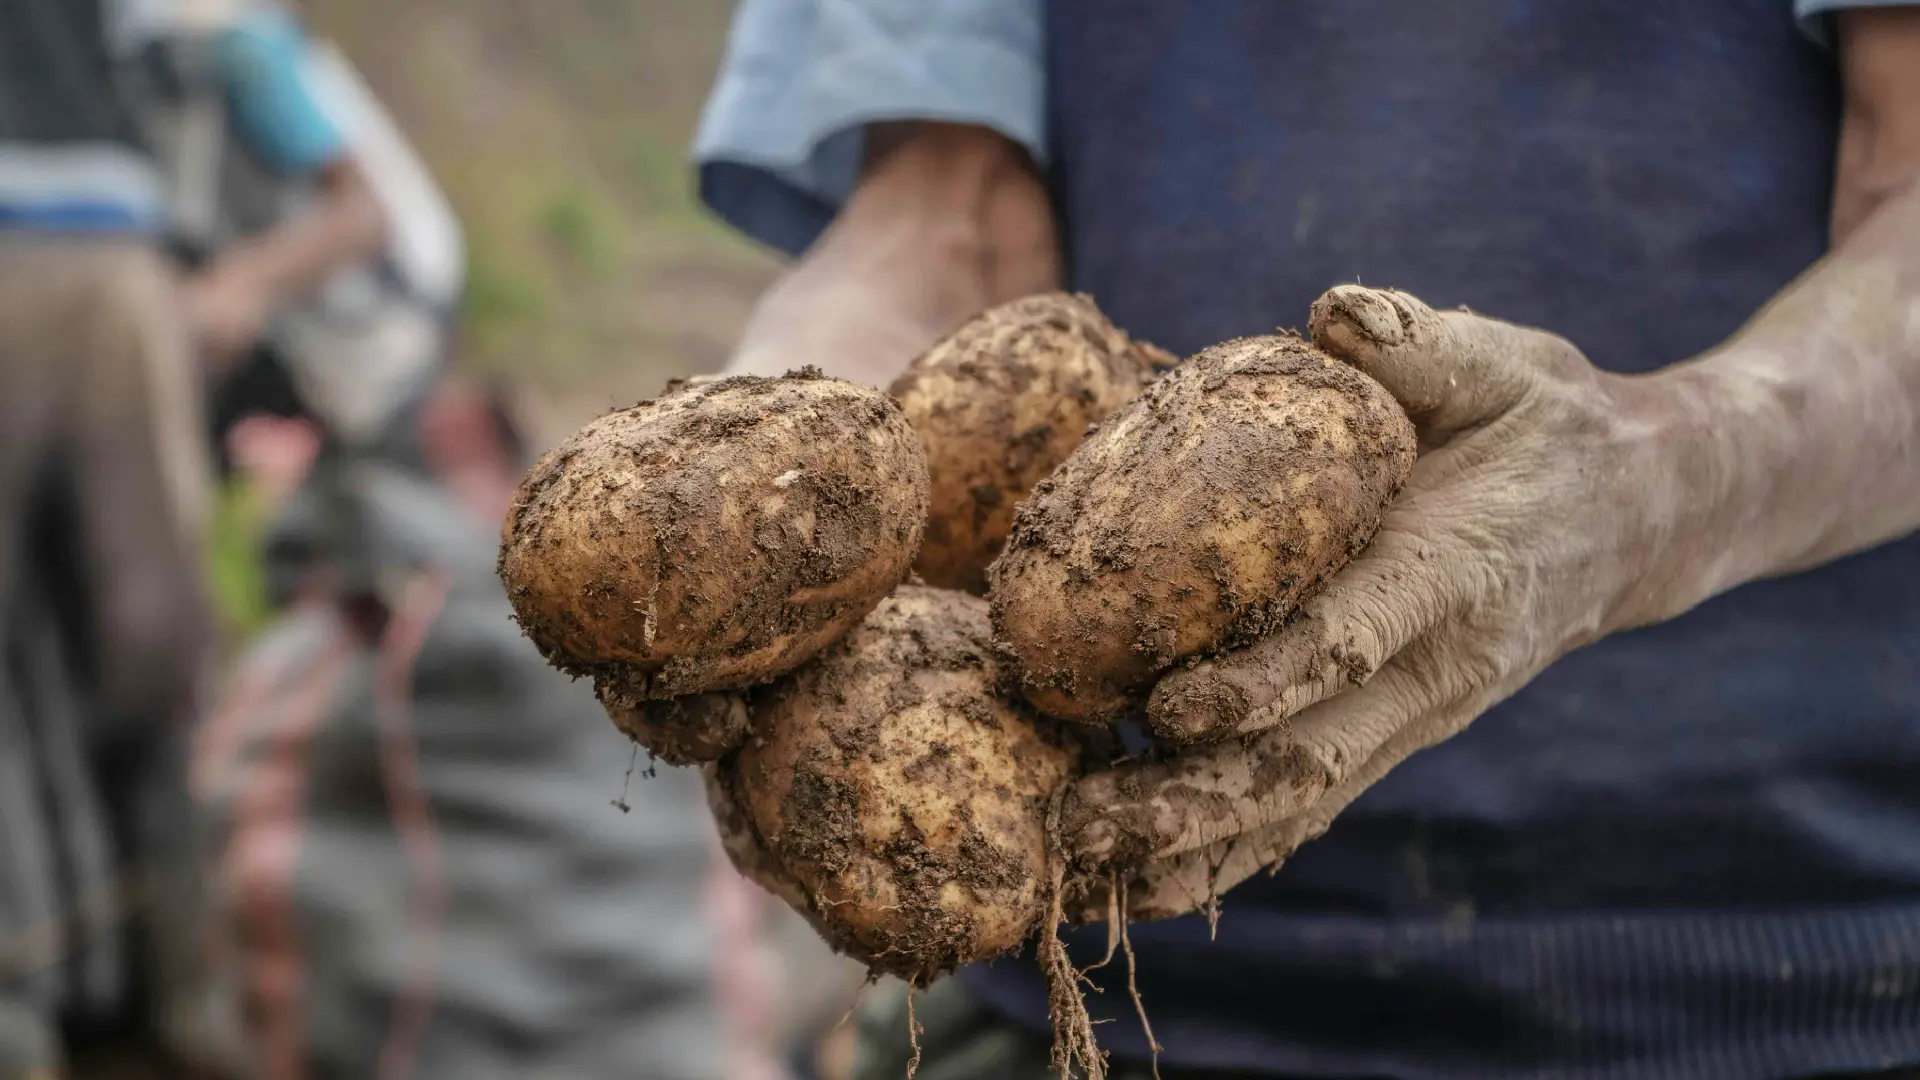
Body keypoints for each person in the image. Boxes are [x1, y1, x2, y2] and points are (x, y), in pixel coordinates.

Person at [683, 1, 1920, 1078]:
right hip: (1094, 979)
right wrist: (741, 489)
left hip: (1786, 966)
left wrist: (1662, 479)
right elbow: (945, 221)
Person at [0, 0, 385, 1073]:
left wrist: (236, 288)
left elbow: (361, 206)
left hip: (111, 287)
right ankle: (38, 987)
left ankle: (198, 981)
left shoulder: (202, 31)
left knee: (156, 637)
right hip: (111, 289)